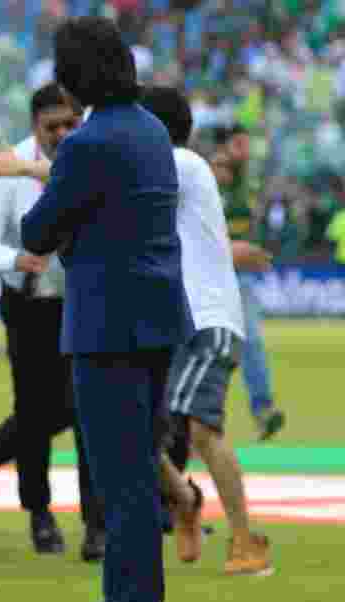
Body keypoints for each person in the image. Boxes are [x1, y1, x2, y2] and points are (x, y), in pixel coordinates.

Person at [23, 17, 193, 602]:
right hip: (155, 316)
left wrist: (64, 231)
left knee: (119, 478)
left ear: (72, 76)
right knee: (136, 471)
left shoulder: (87, 143)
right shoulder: (150, 128)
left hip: (106, 324)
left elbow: (37, 231)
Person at [0, 83, 105, 561]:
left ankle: (95, 524)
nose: (62, 134)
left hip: (86, 302)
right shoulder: (6, 171)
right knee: (37, 414)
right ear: (34, 128)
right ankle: (40, 515)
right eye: (52, 127)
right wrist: (16, 258)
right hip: (29, 306)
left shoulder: (91, 160)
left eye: (70, 125)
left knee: (85, 413)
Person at [138, 86, 274, 577]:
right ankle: (183, 497)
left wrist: (31, 169)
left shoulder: (180, 163)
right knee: (136, 424)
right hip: (171, 321)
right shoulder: (173, 174)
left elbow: (103, 181)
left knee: (201, 426)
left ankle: (246, 540)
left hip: (208, 319)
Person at [214, 124, 286, 441]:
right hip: (208, 272)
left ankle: (263, 409)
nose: (246, 150)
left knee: (251, 341)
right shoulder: (210, 175)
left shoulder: (250, 179)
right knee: (199, 345)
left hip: (239, 272)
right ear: (227, 146)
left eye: (248, 144)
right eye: (240, 144)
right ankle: (184, 418)